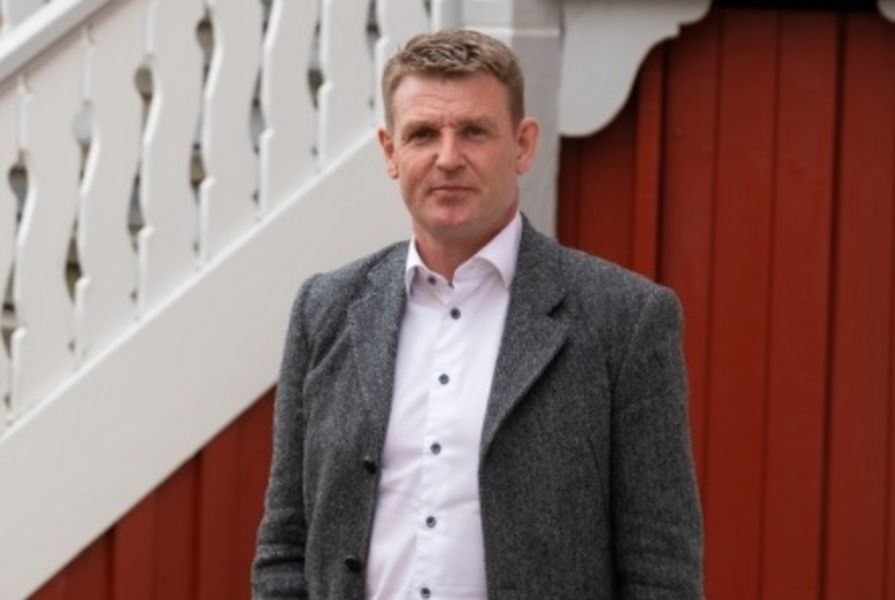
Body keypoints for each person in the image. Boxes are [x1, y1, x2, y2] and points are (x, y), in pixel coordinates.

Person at [253, 29, 703, 599]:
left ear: (523, 145)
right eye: (423, 134)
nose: (448, 158)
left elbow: (661, 569)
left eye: (473, 131)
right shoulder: (324, 310)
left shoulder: (625, 319)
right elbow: (285, 546)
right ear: (391, 152)